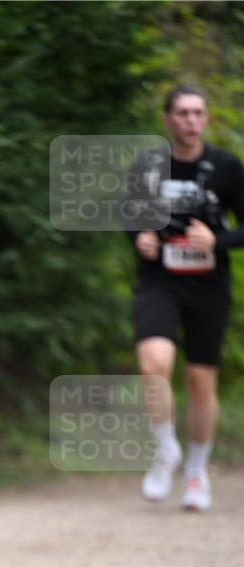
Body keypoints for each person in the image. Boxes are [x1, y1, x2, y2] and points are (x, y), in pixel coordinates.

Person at [129, 84, 244, 510]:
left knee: (200, 381)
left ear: (206, 118)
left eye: (198, 112)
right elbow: (130, 217)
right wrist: (139, 239)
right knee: (153, 363)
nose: (191, 120)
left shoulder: (228, 167)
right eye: (182, 113)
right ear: (168, 119)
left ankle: (196, 469)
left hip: (208, 284)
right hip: (159, 280)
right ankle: (165, 451)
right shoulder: (147, 167)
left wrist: (217, 239)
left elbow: (241, 228)